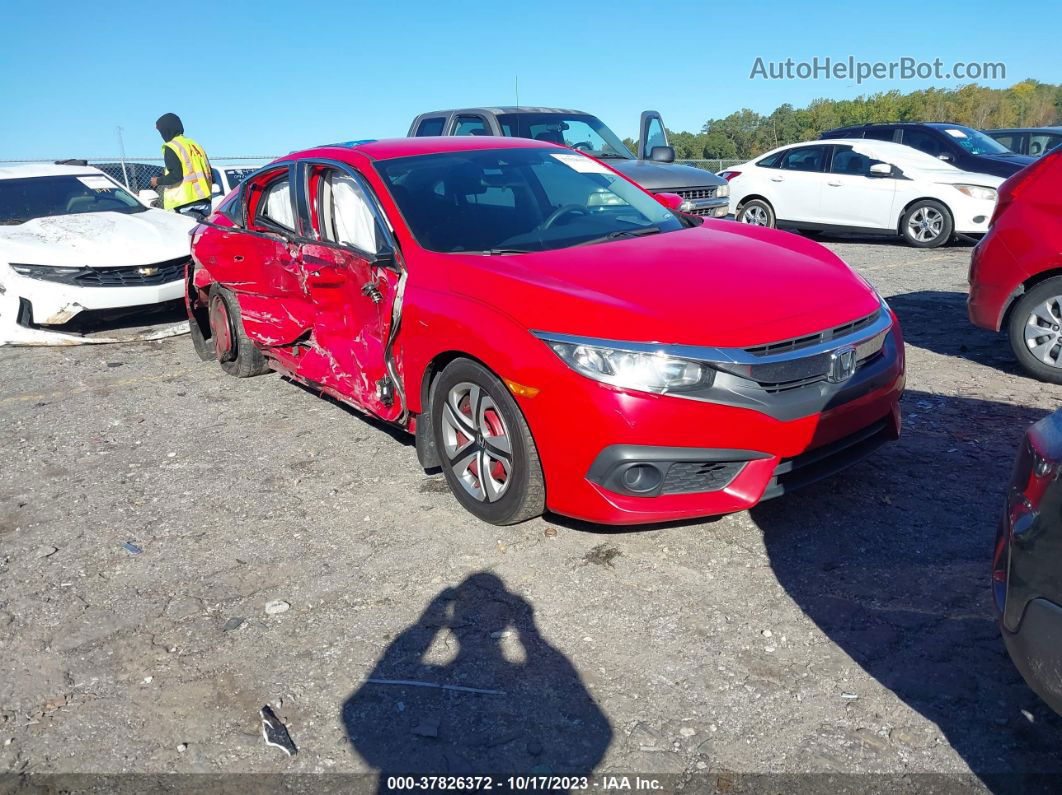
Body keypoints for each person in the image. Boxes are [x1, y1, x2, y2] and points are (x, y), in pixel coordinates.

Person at [149, 113, 212, 220]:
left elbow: (176, 175)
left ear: (166, 130)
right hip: (205, 202)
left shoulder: (172, 146)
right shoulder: (195, 145)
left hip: (185, 204)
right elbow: (211, 174)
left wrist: (157, 181)